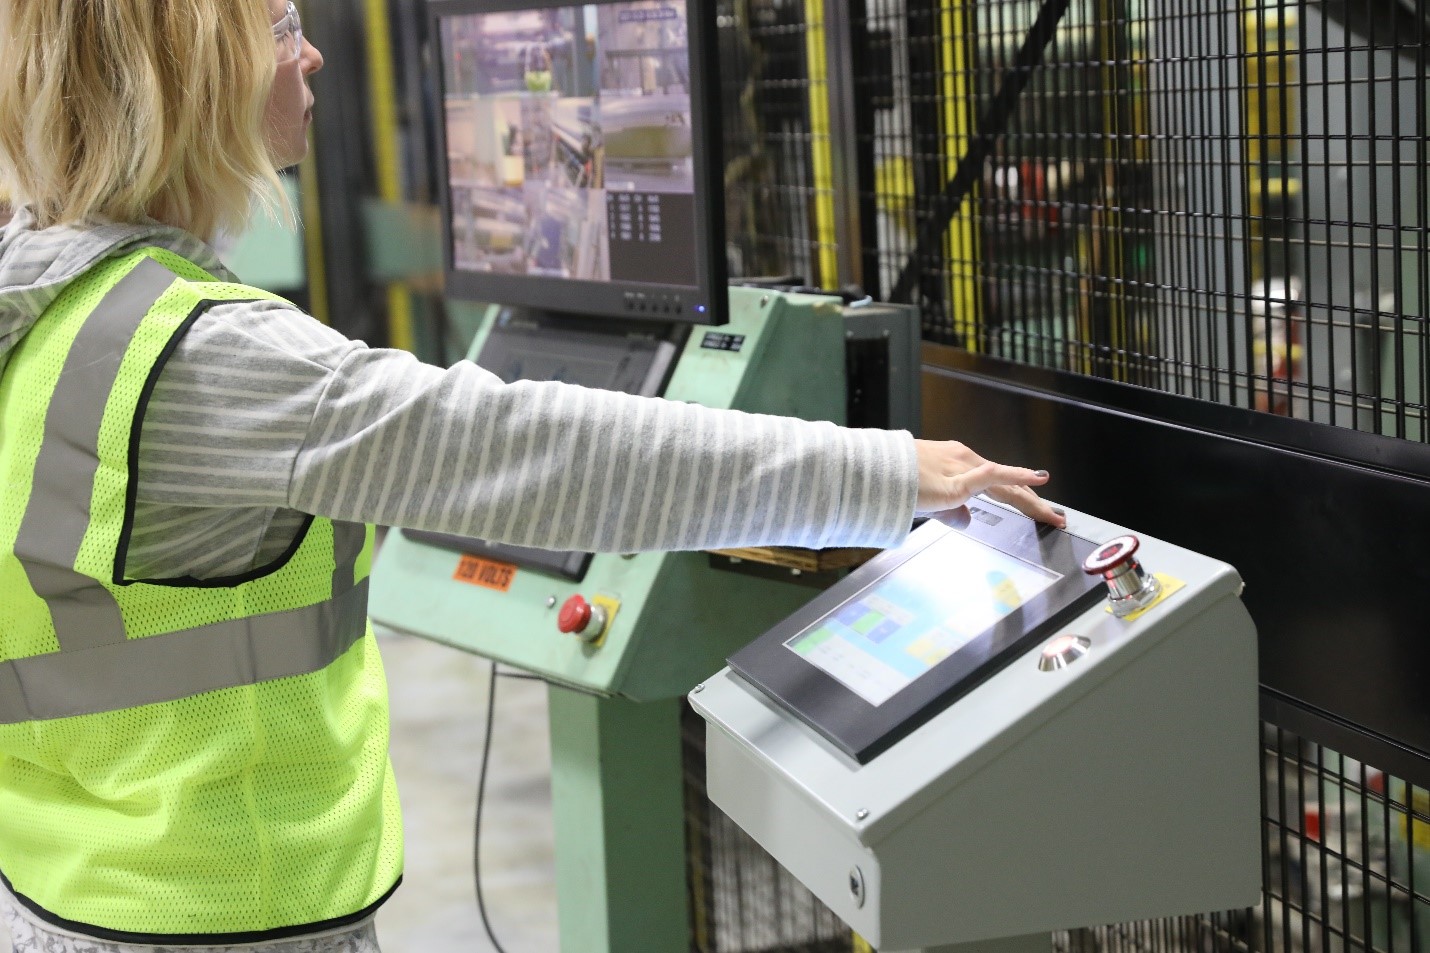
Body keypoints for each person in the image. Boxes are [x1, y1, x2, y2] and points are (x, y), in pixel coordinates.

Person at [0, 2, 1066, 952]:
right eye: (278, 27)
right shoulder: (196, 354)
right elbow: (544, 453)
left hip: (65, 874)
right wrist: (891, 469)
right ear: (189, 73)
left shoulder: (42, 306)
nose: (311, 52)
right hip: (210, 905)